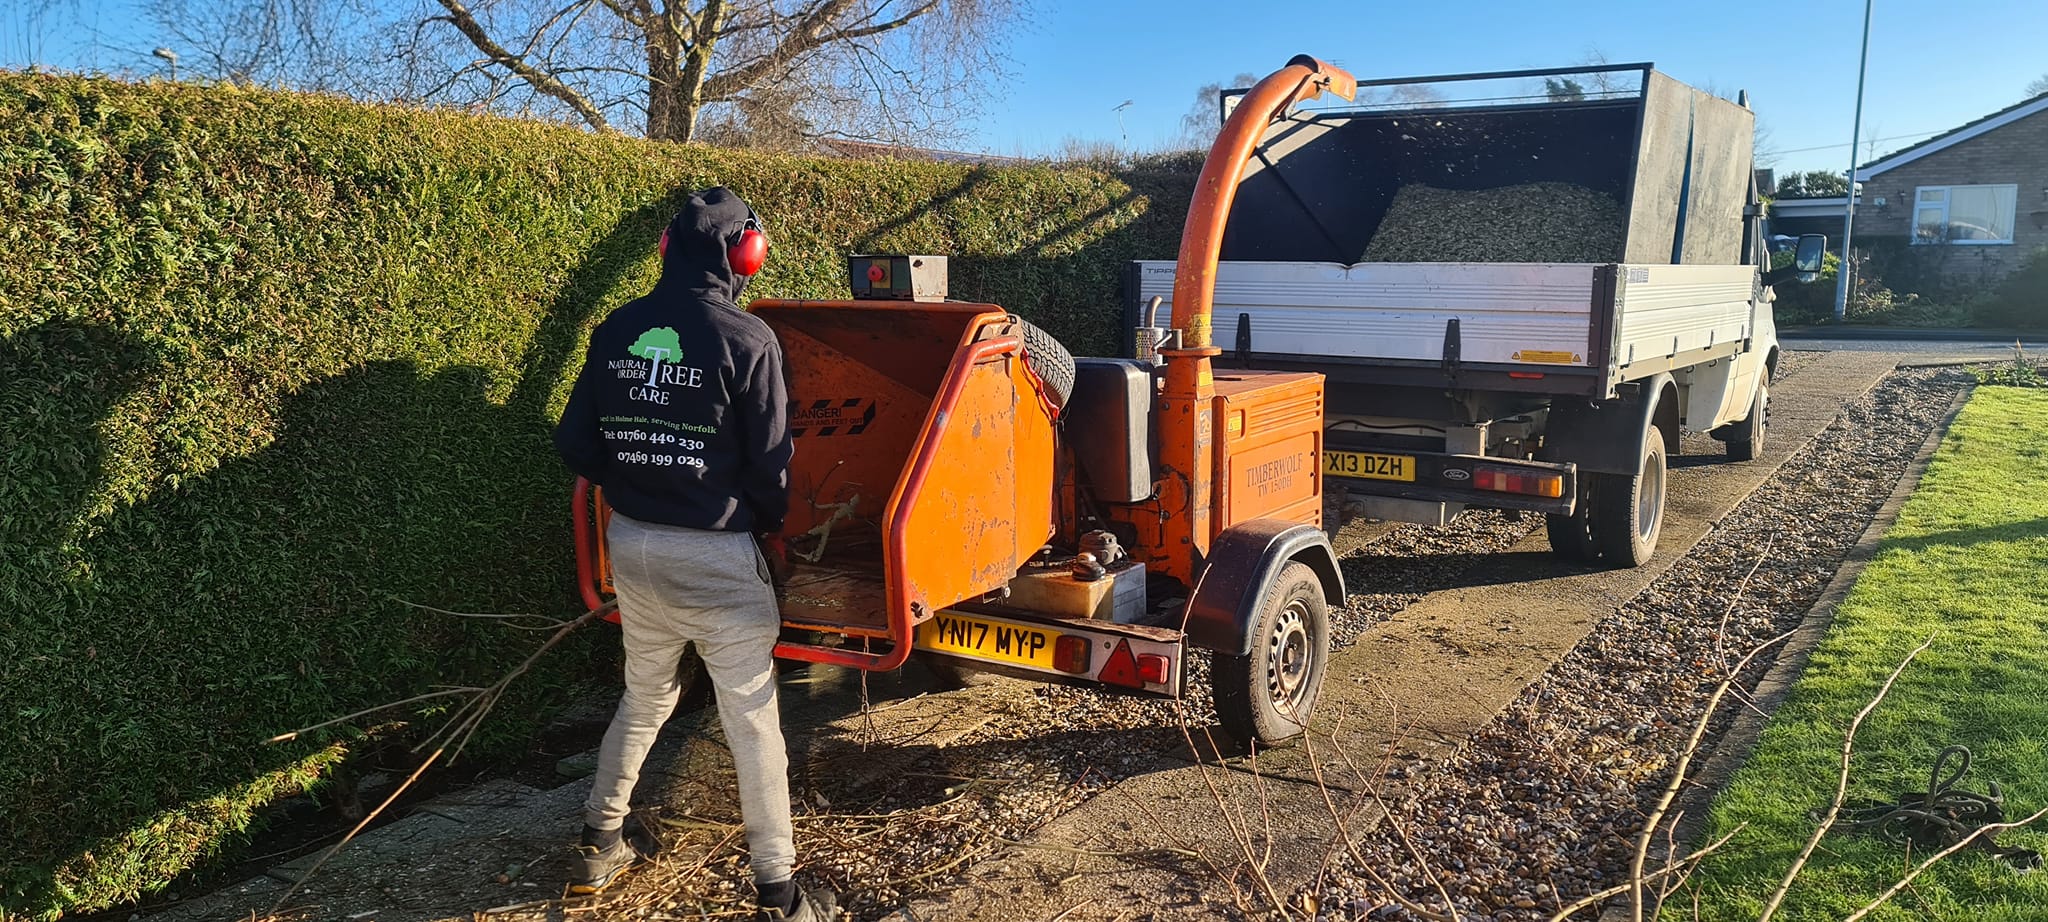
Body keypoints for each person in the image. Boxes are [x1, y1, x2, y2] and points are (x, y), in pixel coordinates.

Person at [554, 186, 832, 921]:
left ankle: (597, 843)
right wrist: (766, 528)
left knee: (645, 694)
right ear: (747, 256)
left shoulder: (617, 329)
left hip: (634, 548)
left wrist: (642, 469)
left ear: (666, 249)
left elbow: (574, 444)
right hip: (717, 557)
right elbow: (772, 471)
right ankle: (781, 894)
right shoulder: (749, 340)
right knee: (751, 720)